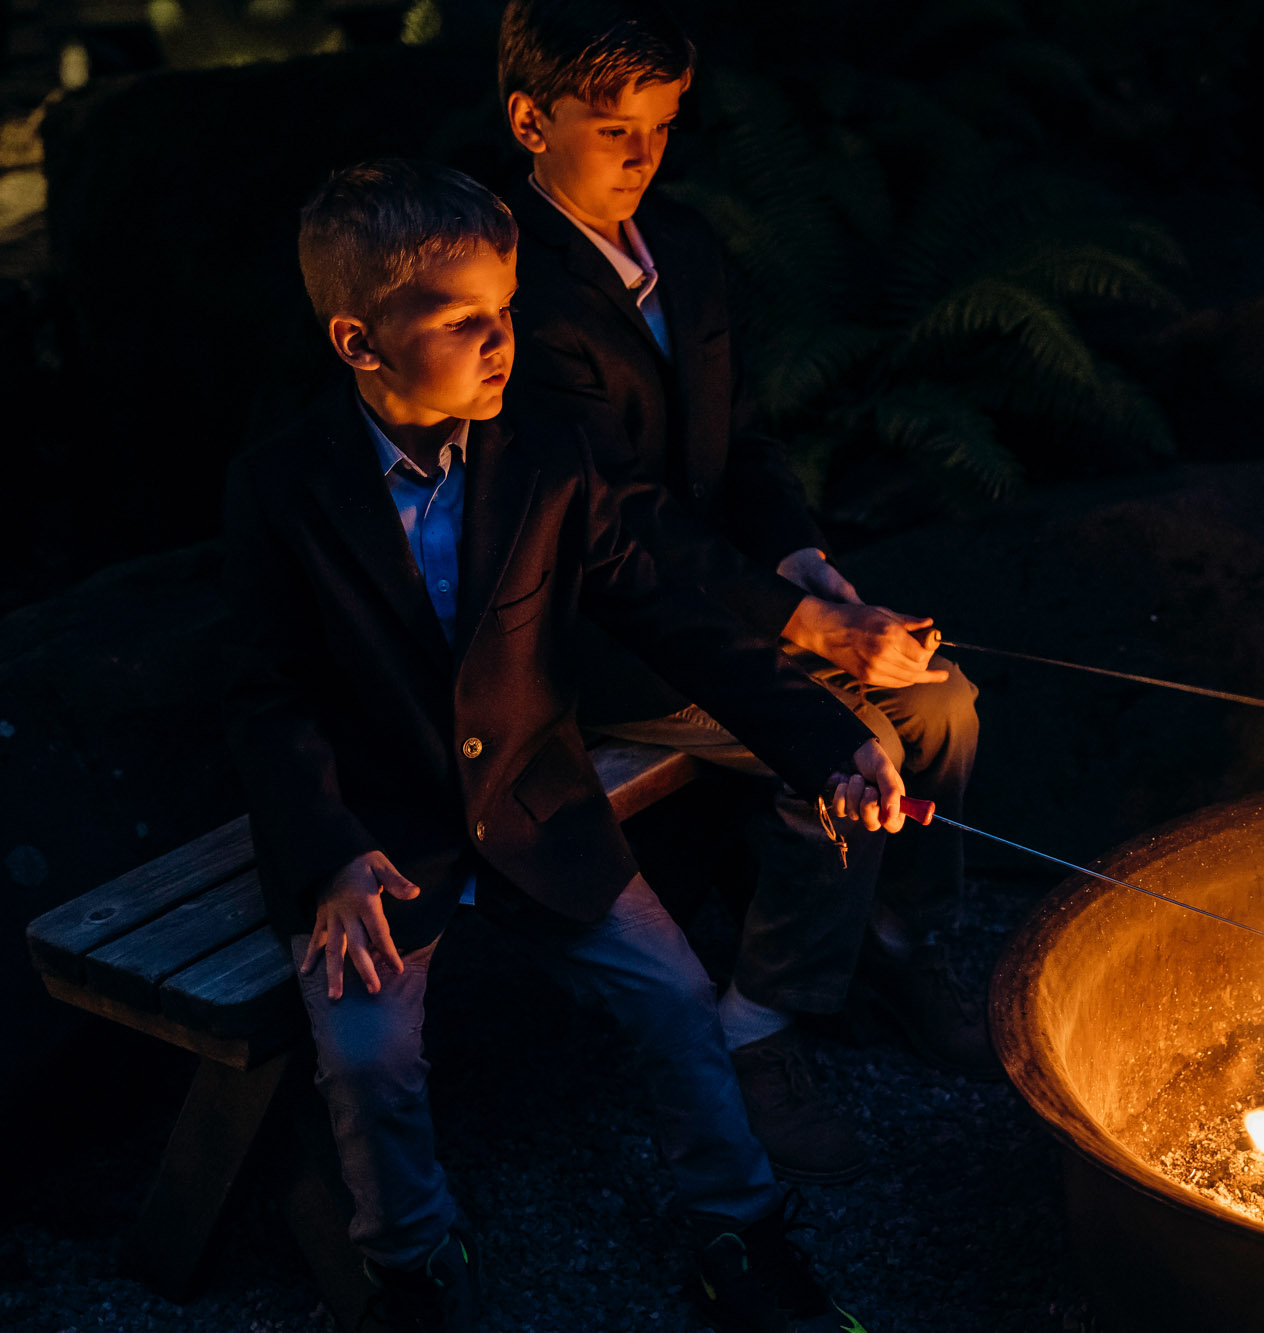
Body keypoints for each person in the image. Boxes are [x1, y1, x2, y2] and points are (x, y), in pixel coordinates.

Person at [222, 157, 899, 1333]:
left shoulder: (542, 459)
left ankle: (735, 1228)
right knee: (370, 1058)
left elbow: (675, 621)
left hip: (540, 808)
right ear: (357, 340)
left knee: (678, 998)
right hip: (376, 839)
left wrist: (825, 746)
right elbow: (264, 694)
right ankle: (412, 1264)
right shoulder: (280, 487)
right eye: (464, 320)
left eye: (508, 310)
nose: (502, 341)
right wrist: (327, 856)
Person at [495, 0, 991, 1185]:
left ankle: (888, 941)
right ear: (528, 119)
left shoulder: (684, 249)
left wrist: (804, 561)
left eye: (661, 127)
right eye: (612, 127)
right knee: (849, 745)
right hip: (605, 638)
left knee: (946, 705)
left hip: (724, 596)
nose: (641, 154)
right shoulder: (510, 282)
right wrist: (802, 625)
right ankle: (756, 1025)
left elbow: (746, 446)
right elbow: (605, 515)